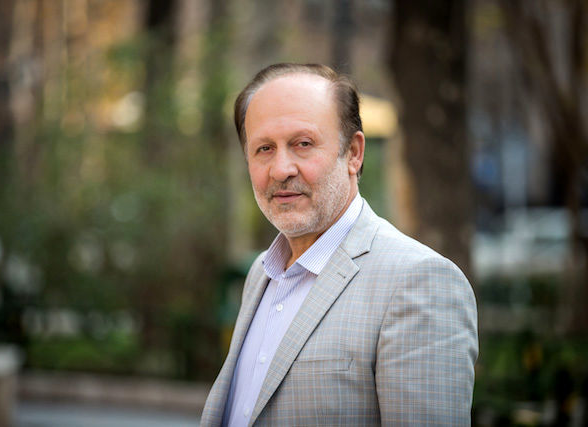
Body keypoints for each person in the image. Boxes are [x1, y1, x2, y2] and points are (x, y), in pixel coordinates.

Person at [200, 63, 478, 426]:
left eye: (303, 144)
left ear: (354, 153)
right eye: (264, 148)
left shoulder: (419, 282)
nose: (281, 169)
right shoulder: (260, 274)